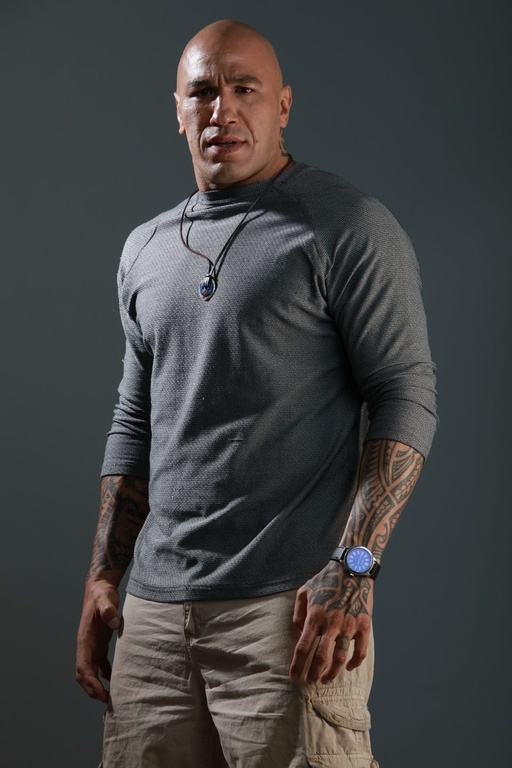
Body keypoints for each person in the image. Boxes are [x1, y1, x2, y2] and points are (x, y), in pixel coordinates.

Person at [76, 18, 438, 768]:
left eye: (246, 89)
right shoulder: (145, 248)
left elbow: (405, 395)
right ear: (177, 109)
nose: (223, 110)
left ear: (284, 105)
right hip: (154, 621)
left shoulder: (346, 226)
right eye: (203, 92)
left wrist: (354, 569)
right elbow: (135, 419)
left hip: (288, 615)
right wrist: (104, 574)